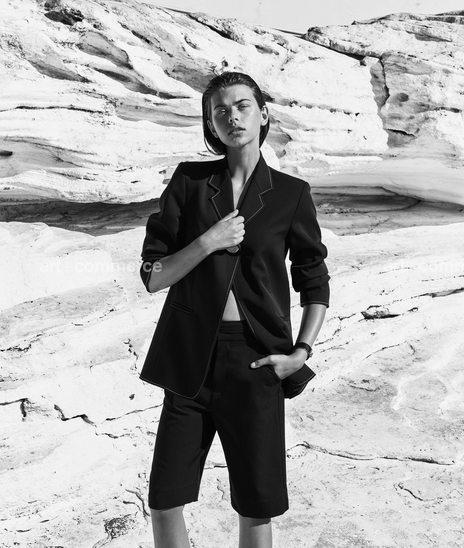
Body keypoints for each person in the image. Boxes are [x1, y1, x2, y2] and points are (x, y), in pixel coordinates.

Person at [139, 71, 330, 548]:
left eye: (243, 106)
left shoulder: (291, 193)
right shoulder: (189, 182)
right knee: (164, 499)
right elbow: (153, 276)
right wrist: (208, 241)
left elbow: (314, 279)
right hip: (190, 360)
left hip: (256, 360)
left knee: (256, 506)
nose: (232, 116)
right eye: (220, 111)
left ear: (263, 114)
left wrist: (301, 352)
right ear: (210, 124)